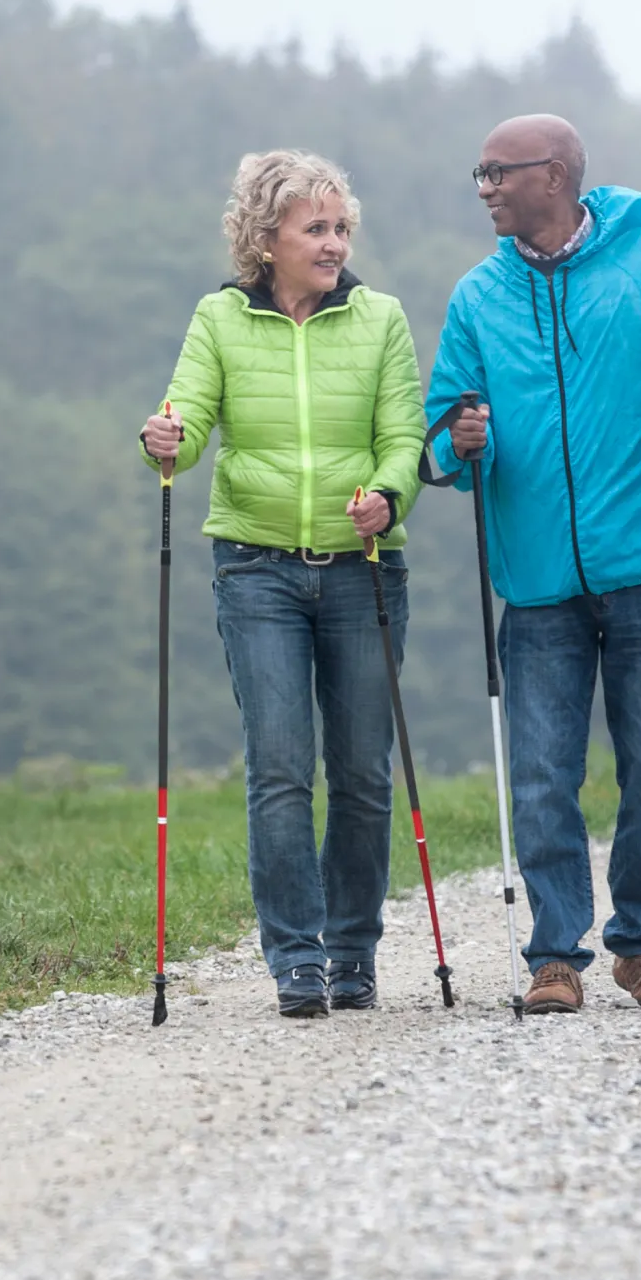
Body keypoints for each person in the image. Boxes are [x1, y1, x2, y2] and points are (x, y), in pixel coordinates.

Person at [423, 115, 641, 1014]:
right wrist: (459, 440)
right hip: (535, 581)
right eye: (477, 172)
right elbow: (441, 427)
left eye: (498, 172)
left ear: (554, 176)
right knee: (540, 776)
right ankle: (553, 957)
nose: (483, 187)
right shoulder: (479, 295)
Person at [141, 150, 428, 1018]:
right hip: (255, 568)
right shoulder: (219, 319)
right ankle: (295, 958)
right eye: (317, 228)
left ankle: (353, 954)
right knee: (277, 771)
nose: (335, 243)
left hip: (364, 569)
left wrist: (388, 493)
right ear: (267, 239)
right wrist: (167, 438)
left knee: (364, 775)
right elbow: (186, 420)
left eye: (342, 228)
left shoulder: (380, 320)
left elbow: (403, 436)